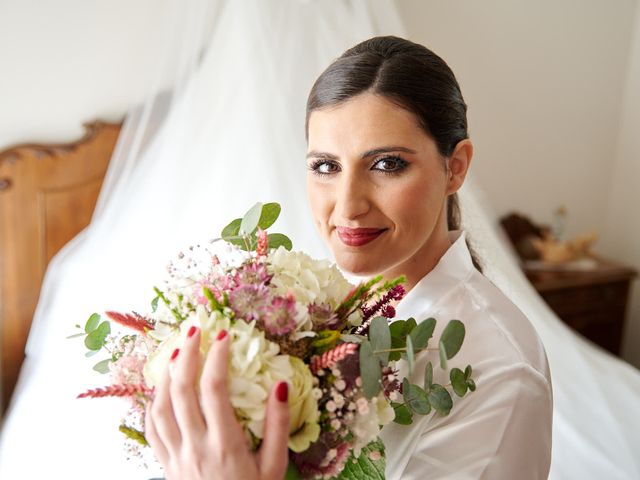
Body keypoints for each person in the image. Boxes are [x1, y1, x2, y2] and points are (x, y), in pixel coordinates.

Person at [145, 36, 553, 479]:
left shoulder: (499, 371)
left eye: (387, 165)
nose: (347, 207)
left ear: (455, 167)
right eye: (326, 167)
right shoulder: (303, 313)